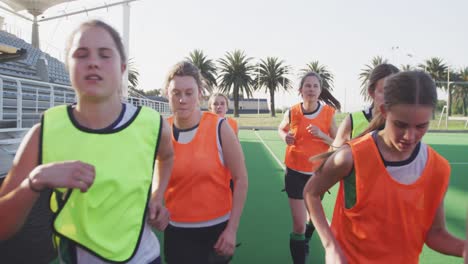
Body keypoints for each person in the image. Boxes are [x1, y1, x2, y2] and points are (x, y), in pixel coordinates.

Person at [0, 20, 174, 264]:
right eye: (81, 54)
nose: (93, 62)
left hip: (145, 257)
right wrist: (34, 182)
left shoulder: (153, 125)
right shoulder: (44, 133)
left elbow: (166, 156)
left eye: (105, 55)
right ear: (68, 66)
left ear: (122, 67)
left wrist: (157, 195)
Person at [304, 71, 466, 264]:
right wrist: (330, 246)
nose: (410, 136)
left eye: (421, 126)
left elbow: (435, 233)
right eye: (401, 125)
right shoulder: (351, 157)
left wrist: (464, 248)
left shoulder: (438, 168)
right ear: (384, 110)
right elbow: (311, 192)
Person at [163, 61, 248, 264]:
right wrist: (156, 199)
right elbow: (157, 173)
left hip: (217, 233)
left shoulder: (220, 127)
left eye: (189, 92)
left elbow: (241, 179)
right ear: (167, 93)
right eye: (176, 93)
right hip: (176, 232)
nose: (182, 99)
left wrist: (232, 229)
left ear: (200, 93)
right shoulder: (162, 130)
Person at [277, 71, 341, 264]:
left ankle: (305, 240)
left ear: (320, 90)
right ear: (301, 90)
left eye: (315, 86)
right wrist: (284, 137)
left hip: (318, 175)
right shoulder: (293, 111)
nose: (311, 89)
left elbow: (339, 144)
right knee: (298, 225)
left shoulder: (328, 114)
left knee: (312, 220)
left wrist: (323, 135)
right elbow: (281, 129)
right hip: (295, 172)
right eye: (308, 86)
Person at [333, 64, 399, 147]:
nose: (390, 97)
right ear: (371, 92)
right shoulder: (352, 120)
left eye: (396, 92)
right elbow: (334, 155)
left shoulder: (406, 125)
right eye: (385, 91)